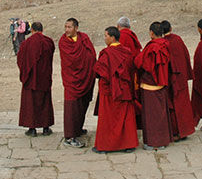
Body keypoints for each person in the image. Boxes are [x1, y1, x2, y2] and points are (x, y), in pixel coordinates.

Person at [93, 26, 138, 154]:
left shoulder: (106, 53)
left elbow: (99, 71)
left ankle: (106, 145)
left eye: (106, 36)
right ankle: (128, 144)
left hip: (109, 91)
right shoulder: (127, 52)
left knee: (108, 118)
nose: (104, 38)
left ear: (112, 38)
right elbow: (131, 70)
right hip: (124, 89)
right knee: (125, 117)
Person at [134, 21, 172, 150]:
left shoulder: (152, 47)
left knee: (150, 116)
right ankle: (162, 141)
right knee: (160, 114)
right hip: (161, 85)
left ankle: (152, 142)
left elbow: (141, 63)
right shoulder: (166, 44)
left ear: (151, 33)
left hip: (149, 86)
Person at [58, 18, 96, 148]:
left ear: (76, 28)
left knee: (82, 104)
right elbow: (71, 60)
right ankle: (69, 136)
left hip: (85, 77)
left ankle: (78, 128)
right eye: (65, 27)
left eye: (69, 27)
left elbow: (91, 55)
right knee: (71, 107)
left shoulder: (84, 38)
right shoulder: (63, 42)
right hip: (71, 80)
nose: (66, 30)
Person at [16, 21, 55, 137]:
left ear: (32, 30)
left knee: (31, 103)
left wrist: (25, 72)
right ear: (42, 30)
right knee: (45, 102)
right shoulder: (48, 42)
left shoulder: (26, 44)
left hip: (31, 78)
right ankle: (46, 128)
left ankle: (32, 129)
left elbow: (20, 60)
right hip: (44, 77)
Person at [161, 20, 195, 141]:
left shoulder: (163, 43)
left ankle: (176, 132)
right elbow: (185, 56)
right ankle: (185, 131)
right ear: (171, 28)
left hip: (171, 80)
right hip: (181, 78)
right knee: (183, 104)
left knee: (173, 106)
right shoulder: (178, 39)